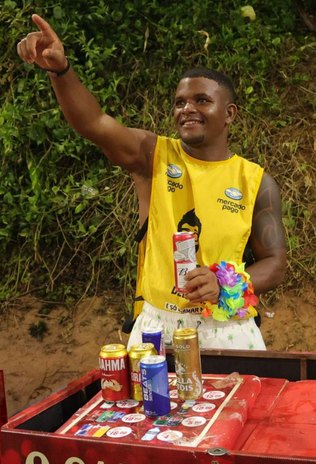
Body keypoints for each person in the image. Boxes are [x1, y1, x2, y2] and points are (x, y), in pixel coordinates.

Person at [17, 14, 287, 350]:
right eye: (180, 102)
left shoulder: (256, 182)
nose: (187, 108)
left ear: (229, 113)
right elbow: (94, 123)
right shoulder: (152, 156)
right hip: (158, 326)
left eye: (202, 100)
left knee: (235, 405)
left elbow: (275, 265)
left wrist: (223, 284)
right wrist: (61, 71)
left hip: (227, 326)